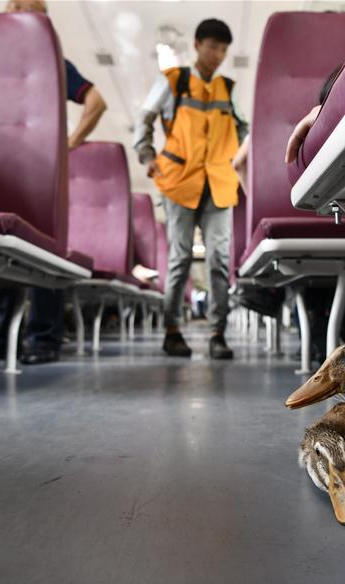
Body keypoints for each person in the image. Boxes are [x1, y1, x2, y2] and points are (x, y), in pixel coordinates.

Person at [0, 0, 106, 365]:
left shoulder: (53, 63)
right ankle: (0, 335)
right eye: (13, 4)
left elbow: (96, 102)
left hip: (39, 168)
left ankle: (44, 337)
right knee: (1, 248)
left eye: (26, 6)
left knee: (44, 251)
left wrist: (69, 144)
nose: (14, 10)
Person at [134, 19, 248, 359]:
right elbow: (144, 119)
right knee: (180, 258)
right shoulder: (174, 80)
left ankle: (218, 334)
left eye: (224, 50)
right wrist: (146, 155)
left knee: (219, 259)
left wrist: (238, 160)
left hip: (218, 183)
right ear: (197, 44)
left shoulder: (228, 88)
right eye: (213, 47)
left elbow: (244, 131)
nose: (218, 55)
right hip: (178, 181)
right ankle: (172, 331)